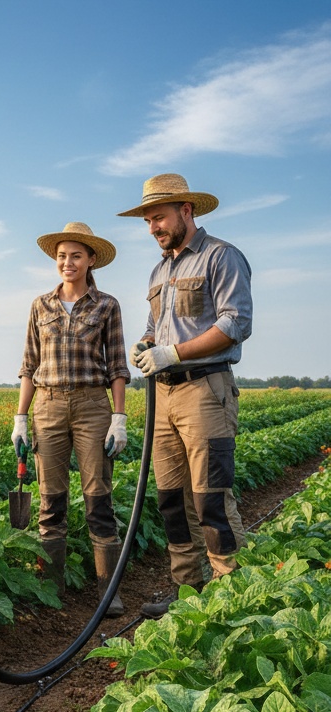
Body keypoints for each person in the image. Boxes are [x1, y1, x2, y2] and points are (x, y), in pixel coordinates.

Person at [118, 172, 252, 617]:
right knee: (171, 500)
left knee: (211, 497)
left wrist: (173, 352)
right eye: (148, 220)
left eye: (159, 217)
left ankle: (231, 595)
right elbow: (158, 329)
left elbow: (235, 324)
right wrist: (145, 344)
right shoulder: (160, 270)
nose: (153, 227)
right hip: (165, 395)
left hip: (204, 390)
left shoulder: (221, 257)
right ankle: (188, 595)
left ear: (186, 211)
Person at [11, 221, 131, 616]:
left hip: (92, 406)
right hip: (47, 406)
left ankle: (108, 591)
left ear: (91, 260)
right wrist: (21, 418)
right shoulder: (39, 306)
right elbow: (29, 365)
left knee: (98, 498)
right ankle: (51, 589)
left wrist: (119, 417)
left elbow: (117, 366)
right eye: (61, 256)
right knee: (51, 501)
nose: (67, 262)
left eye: (76, 256)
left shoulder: (107, 306)